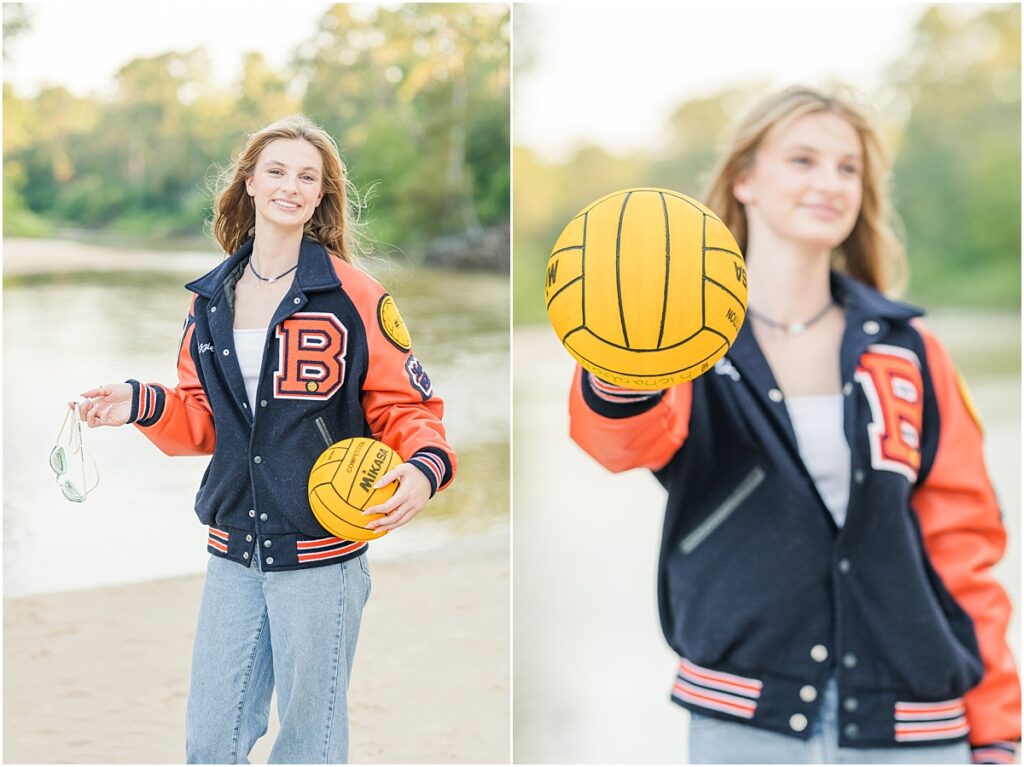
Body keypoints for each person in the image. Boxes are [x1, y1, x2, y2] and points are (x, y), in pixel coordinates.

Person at [568, 86, 1019, 764]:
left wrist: (997, 728)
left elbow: (962, 540)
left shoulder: (910, 347)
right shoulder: (681, 332)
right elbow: (619, 442)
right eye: (804, 159)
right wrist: (620, 358)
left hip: (915, 717)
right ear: (745, 179)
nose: (829, 183)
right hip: (744, 711)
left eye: (848, 167)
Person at [77, 115, 456, 764]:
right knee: (210, 743)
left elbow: (409, 407)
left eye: (307, 176)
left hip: (323, 553)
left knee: (310, 744)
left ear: (321, 197)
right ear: (249, 183)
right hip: (232, 550)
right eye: (276, 171)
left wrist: (423, 468)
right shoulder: (211, 299)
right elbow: (202, 418)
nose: (291, 184)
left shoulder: (355, 298)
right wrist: (138, 402)